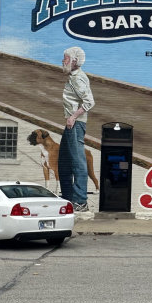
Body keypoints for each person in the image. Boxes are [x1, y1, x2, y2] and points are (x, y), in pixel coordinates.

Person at [60, 46, 95, 211]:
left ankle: (80, 201)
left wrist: (74, 117)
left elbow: (89, 102)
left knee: (78, 162)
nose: (63, 61)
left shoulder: (78, 78)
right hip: (70, 123)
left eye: (66, 58)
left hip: (75, 124)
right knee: (64, 162)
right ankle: (68, 198)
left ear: (74, 61)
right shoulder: (73, 76)